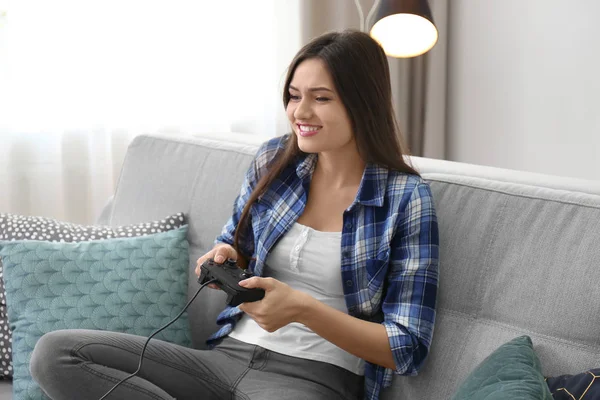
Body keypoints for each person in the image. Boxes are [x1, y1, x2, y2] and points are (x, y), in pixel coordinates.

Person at [30, 29, 439, 400]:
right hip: (224, 358)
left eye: (322, 98)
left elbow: (405, 348)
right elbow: (236, 245)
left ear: (362, 102)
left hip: (314, 378)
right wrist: (225, 258)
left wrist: (303, 309)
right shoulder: (274, 161)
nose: (300, 112)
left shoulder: (405, 199)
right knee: (57, 354)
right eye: (294, 95)